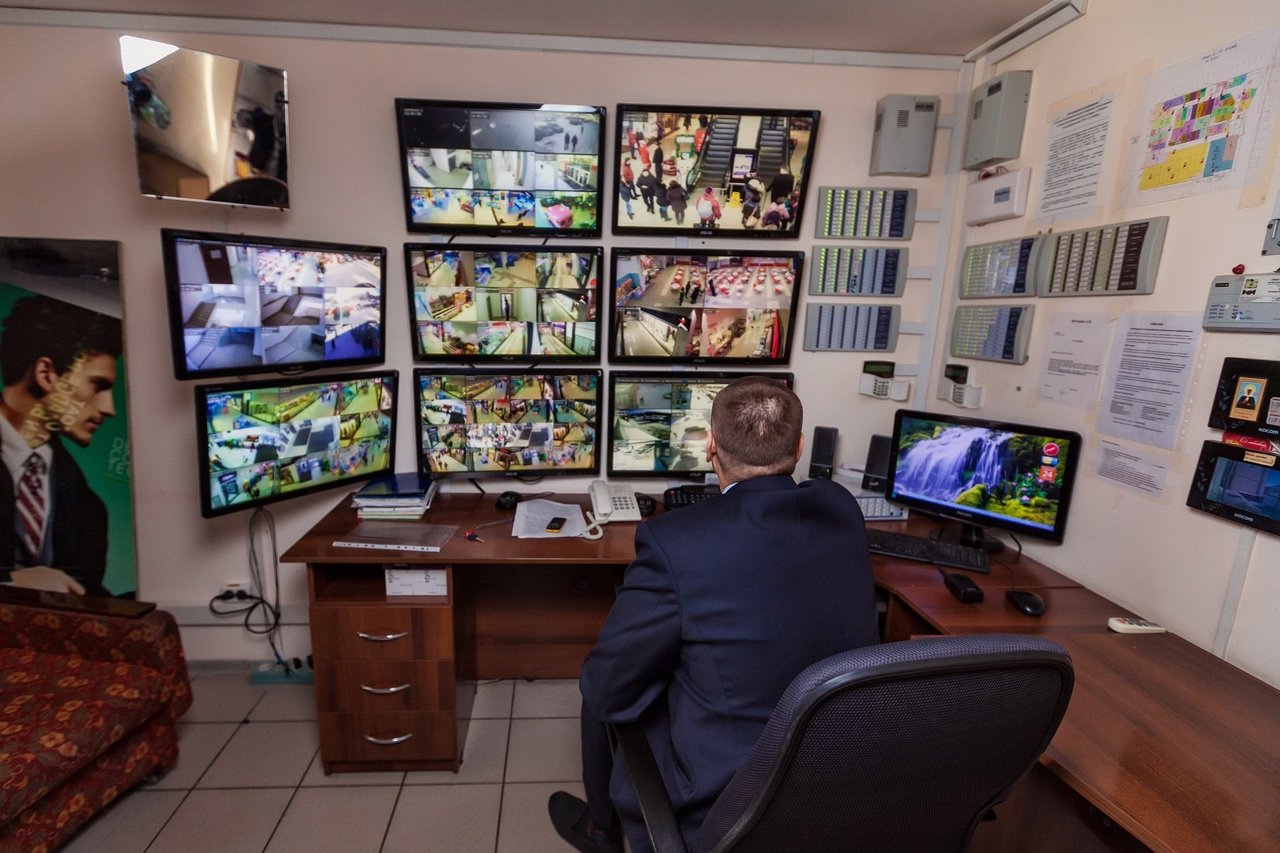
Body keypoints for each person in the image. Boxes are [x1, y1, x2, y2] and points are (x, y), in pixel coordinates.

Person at [548, 377, 879, 853]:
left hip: (732, 795)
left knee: (602, 680)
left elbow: (608, 691)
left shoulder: (673, 540)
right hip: (841, 772)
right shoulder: (841, 507)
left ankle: (600, 830)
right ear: (799, 447)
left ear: (710, 447)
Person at [0, 295, 122, 596]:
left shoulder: (89, 508)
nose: (109, 409)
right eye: (98, 385)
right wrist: (10, 583)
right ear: (46, 374)